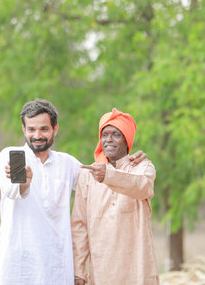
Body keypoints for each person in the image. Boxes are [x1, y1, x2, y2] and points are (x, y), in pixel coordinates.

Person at [0, 99, 146, 285]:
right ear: (23, 129)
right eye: (31, 129)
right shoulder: (12, 156)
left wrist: (128, 162)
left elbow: (100, 180)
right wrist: (25, 182)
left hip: (57, 265)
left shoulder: (66, 163)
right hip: (19, 265)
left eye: (44, 129)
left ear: (55, 129)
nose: (37, 135)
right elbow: (12, 191)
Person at [71, 108, 159, 285]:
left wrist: (108, 176)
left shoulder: (142, 168)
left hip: (138, 269)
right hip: (102, 270)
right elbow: (80, 225)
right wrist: (79, 271)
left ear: (127, 140)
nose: (108, 140)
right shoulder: (88, 175)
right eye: (105, 134)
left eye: (116, 134)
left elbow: (142, 186)